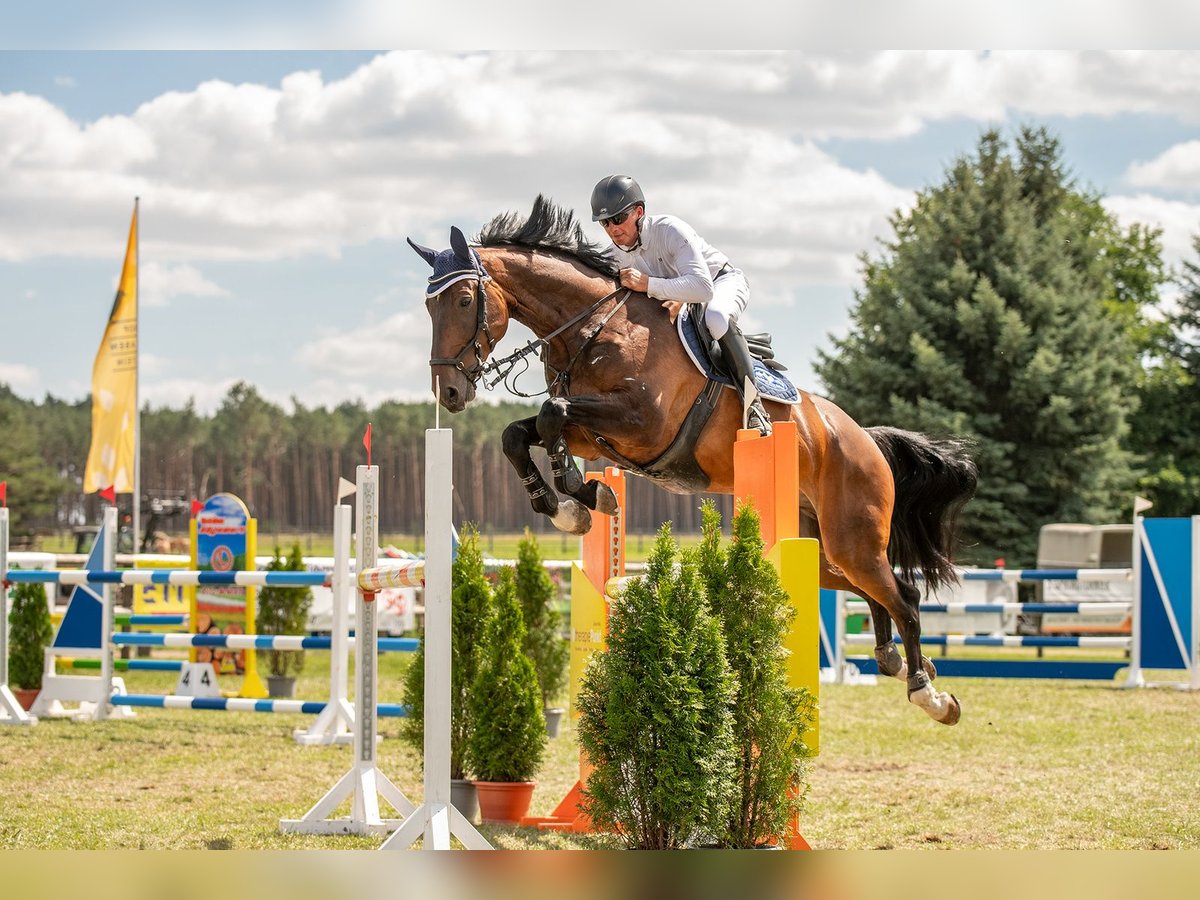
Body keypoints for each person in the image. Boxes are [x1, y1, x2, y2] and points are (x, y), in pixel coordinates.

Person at [590, 174, 772, 435]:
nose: (613, 229)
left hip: (720, 282)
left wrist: (647, 283)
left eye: (619, 218)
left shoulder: (669, 230)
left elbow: (702, 288)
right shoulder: (612, 256)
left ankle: (754, 406)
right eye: (605, 223)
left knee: (716, 318)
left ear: (639, 212)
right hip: (680, 302)